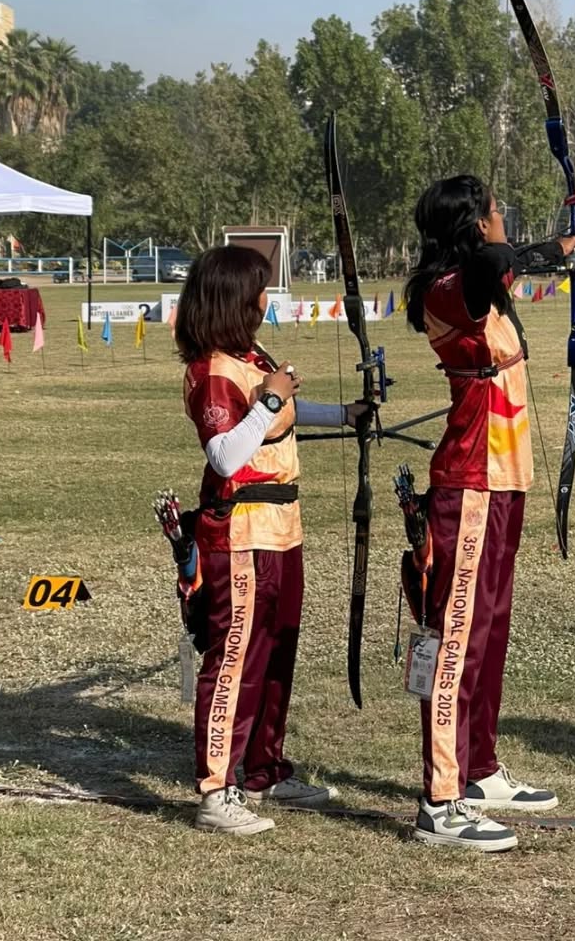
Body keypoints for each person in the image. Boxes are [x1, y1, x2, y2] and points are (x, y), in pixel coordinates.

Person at [403, 176, 575, 851]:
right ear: (476, 226)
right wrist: (550, 250)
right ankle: (440, 801)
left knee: (490, 630)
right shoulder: (448, 287)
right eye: (496, 212)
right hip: (470, 482)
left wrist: (555, 250)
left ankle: (477, 769)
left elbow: (498, 266)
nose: (503, 219)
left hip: (504, 479)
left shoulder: (477, 282)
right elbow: (492, 264)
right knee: (457, 638)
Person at [175, 245, 367, 836]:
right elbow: (226, 453)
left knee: (277, 650)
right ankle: (217, 790)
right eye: (260, 290)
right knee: (235, 657)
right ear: (237, 299)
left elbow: (278, 417)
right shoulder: (213, 371)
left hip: (282, 527)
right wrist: (273, 397)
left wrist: (344, 414)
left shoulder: (248, 356)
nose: (266, 299)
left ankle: (264, 769)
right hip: (241, 532)